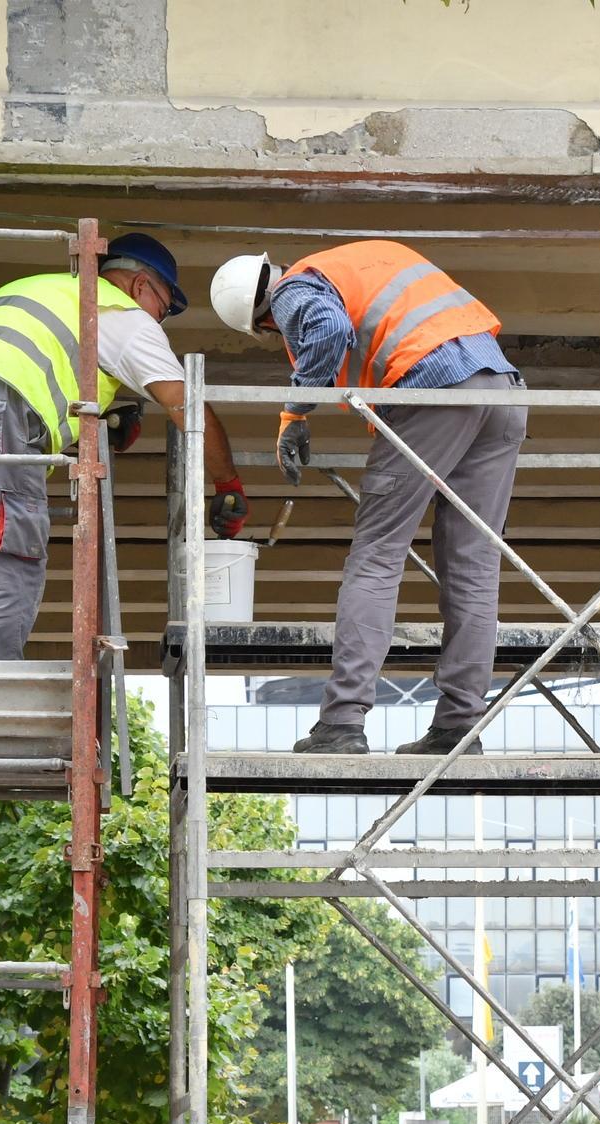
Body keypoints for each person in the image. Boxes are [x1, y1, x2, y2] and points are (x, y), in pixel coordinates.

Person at [211, 241, 527, 755]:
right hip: (504, 394)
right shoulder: (366, 258)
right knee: (473, 567)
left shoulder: (293, 290)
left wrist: (296, 410)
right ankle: (458, 730)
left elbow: (330, 330)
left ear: (263, 319)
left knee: (376, 557)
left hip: (433, 393)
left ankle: (342, 723)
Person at [0, 234, 247, 661]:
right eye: (163, 310)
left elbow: (45, 360)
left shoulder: (40, 287)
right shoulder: (120, 313)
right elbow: (186, 407)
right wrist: (228, 483)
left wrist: (104, 413)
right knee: (8, 546)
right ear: (140, 286)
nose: (158, 322)